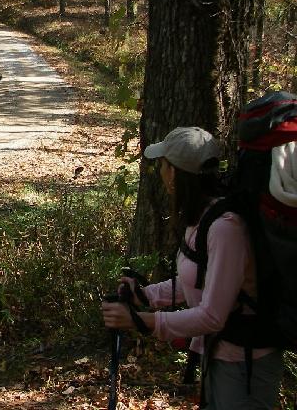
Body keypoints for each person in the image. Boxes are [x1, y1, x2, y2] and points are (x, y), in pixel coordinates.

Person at [101, 127, 283, 409]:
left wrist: (142, 321)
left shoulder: (225, 228)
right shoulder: (203, 217)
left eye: (163, 164)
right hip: (221, 354)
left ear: (174, 173)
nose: (160, 171)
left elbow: (212, 316)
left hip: (246, 364)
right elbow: (196, 281)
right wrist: (146, 296)